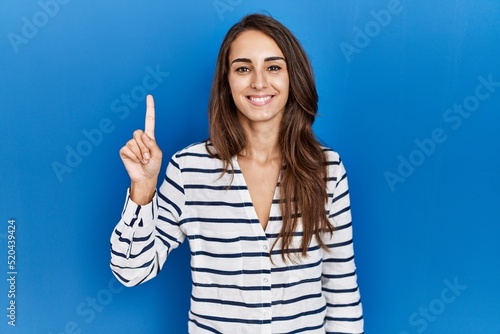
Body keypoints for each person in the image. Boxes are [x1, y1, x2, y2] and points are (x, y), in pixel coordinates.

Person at [110, 13, 363, 333]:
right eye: (243, 68)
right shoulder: (190, 169)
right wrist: (143, 187)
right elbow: (131, 270)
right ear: (227, 82)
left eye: (273, 67)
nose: (259, 82)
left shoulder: (326, 169)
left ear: (292, 77)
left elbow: (341, 286)